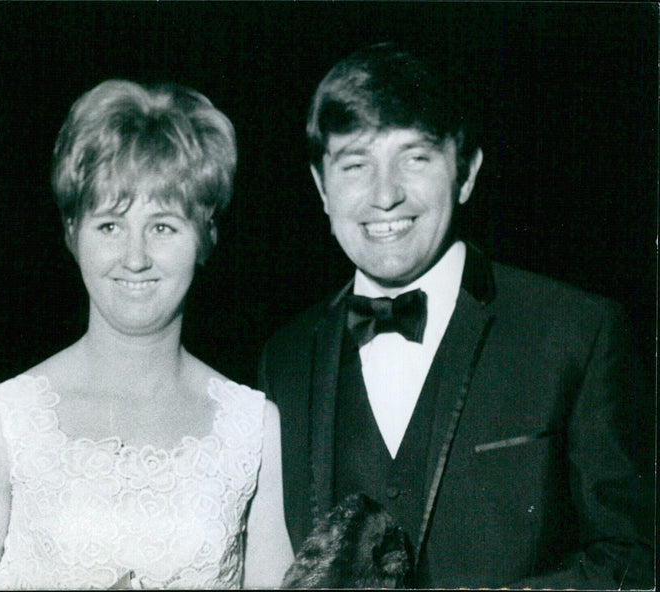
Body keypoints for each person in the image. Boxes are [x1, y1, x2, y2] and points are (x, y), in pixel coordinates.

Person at [259, 44, 653, 589]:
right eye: (355, 164)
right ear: (322, 186)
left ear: (465, 172)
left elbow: (634, 563)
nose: (385, 194)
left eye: (415, 157)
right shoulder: (284, 357)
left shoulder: (577, 333)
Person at [0, 79, 293, 590]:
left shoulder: (255, 431)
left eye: (163, 226)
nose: (136, 257)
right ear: (72, 234)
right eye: (109, 226)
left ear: (206, 237)